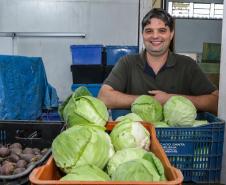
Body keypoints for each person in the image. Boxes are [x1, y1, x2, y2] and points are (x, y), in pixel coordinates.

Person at [98, 8, 218, 115]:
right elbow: (104, 97)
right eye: (149, 31)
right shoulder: (127, 63)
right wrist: (147, 101)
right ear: (143, 35)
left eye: (162, 30)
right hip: (138, 137)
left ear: (171, 34)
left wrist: (171, 99)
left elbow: (215, 101)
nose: (155, 36)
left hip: (177, 137)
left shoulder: (187, 65)